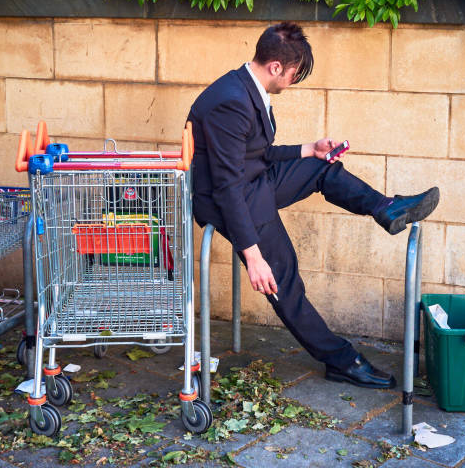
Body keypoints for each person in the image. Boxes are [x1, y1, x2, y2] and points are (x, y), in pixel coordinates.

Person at [186, 22, 439, 389]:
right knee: (284, 280)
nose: (291, 81)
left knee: (323, 167)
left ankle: (387, 208)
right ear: (275, 67)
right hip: (231, 201)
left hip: (253, 183)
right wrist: (253, 256)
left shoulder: (247, 87)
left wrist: (308, 149)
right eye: (292, 74)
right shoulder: (232, 101)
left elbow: (257, 154)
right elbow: (226, 187)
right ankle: (340, 360)